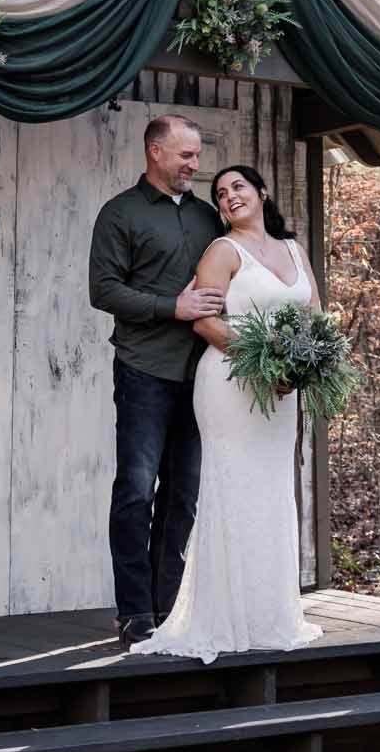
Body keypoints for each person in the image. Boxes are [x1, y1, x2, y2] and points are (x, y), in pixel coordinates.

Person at [135, 163, 323, 663]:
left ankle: (271, 614)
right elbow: (203, 321)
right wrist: (262, 358)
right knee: (233, 490)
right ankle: (226, 616)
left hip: (282, 393)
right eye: (220, 193)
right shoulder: (222, 251)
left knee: (272, 492)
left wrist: (299, 368)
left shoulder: (294, 250)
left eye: (238, 186)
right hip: (230, 384)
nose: (229, 196)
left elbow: (316, 319)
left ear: (262, 191)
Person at [89, 115, 225, 650]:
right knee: (136, 491)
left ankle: (168, 609)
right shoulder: (119, 213)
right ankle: (134, 612)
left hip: (203, 377)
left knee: (183, 498)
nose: (195, 164)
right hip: (144, 369)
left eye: (196, 154)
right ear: (155, 152)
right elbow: (103, 290)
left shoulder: (206, 217)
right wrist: (174, 306)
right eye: (185, 155)